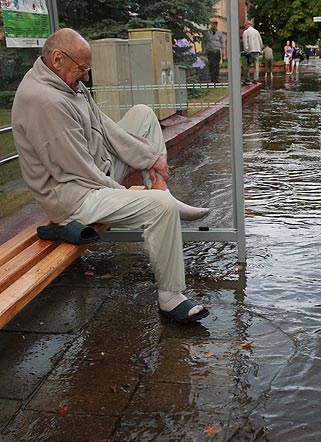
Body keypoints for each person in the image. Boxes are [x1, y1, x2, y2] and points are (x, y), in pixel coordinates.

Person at [11, 28, 210, 324]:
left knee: (143, 115)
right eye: (83, 68)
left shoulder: (68, 82)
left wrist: (151, 158)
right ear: (57, 59)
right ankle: (170, 296)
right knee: (160, 208)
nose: (86, 77)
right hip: (72, 197)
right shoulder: (44, 101)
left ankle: (161, 191)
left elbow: (106, 128)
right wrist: (135, 196)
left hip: (92, 171)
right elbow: (79, 171)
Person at [203, 19, 224, 84]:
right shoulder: (207, 32)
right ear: (211, 24)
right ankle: (212, 79)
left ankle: (216, 79)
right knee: (211, 65)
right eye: (213, 24)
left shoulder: (219, 32)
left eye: (216, 24)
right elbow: (204, 42)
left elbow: (222, 42)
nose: (215, 25)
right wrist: (204, 50)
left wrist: (223, 51)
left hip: (217, 51)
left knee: (216, 66)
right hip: (210, 51)